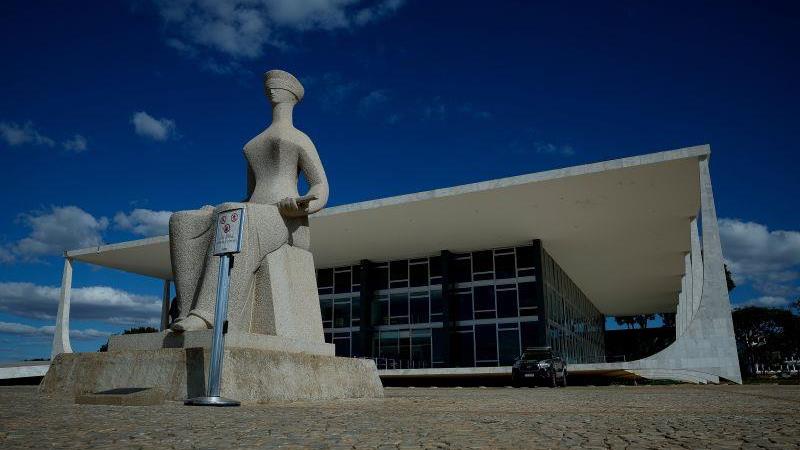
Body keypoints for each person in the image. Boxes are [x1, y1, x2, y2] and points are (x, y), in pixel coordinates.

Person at [169, 70, 329, 332]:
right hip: (257, 210)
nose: (272, 89)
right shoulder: (255, 143)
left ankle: (210, 314)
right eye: (269, 86)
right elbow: (250, 194)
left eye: (277, 85)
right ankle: (185, 312)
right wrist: (214, 211)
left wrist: (303, 205)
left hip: (287, 219)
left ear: (291, 94)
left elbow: (320, 185)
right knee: (183, 220)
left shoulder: (300, 138)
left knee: (235, 214)